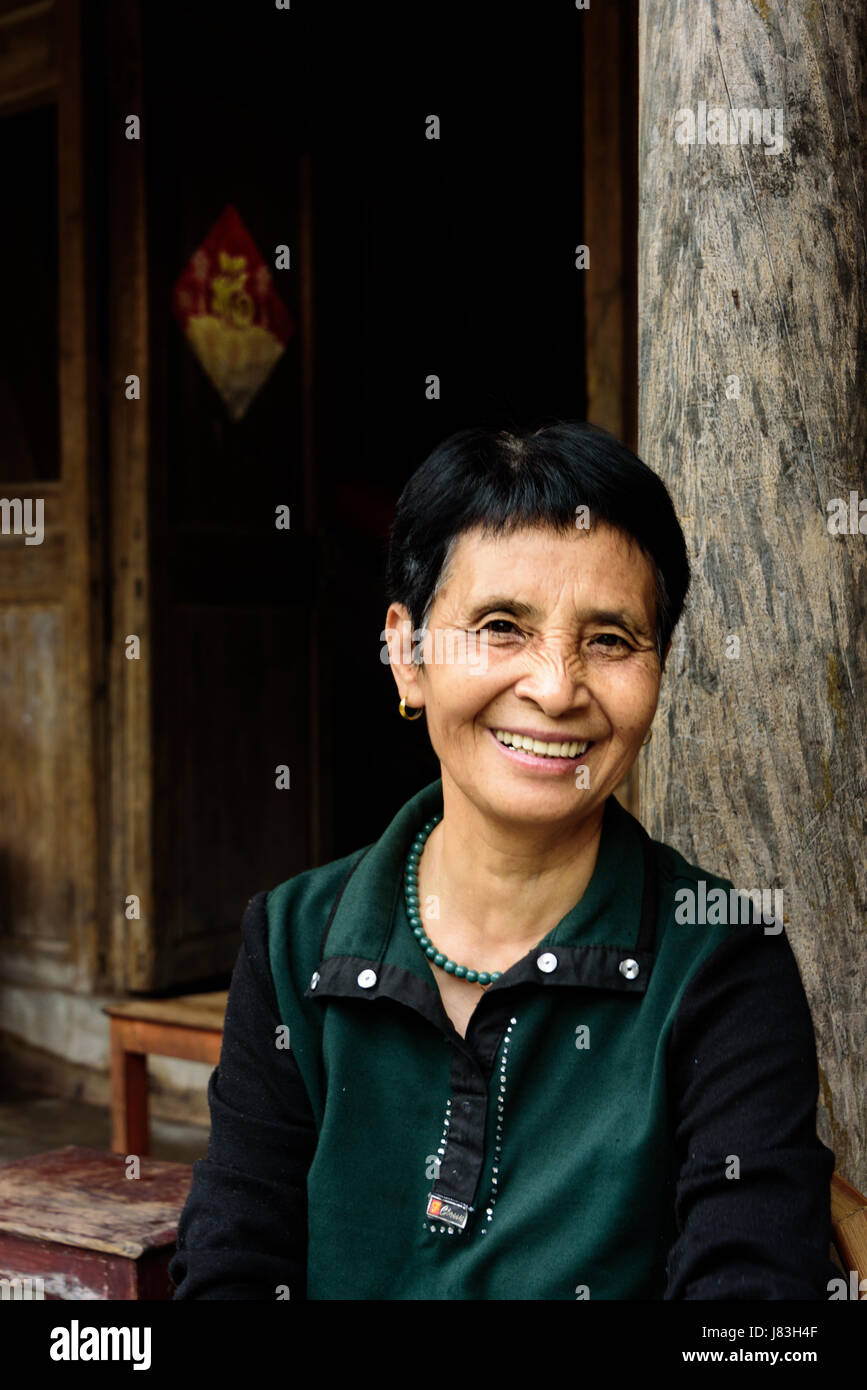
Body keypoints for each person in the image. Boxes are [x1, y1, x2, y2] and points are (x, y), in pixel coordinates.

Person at [169, 420, 837, 1300]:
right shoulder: (295, 940)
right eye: (499, 627)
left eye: (609, 639)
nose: (556, 688)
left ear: (659, 669)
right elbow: (234, 1266)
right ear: (407, 656)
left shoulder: (721, 961)